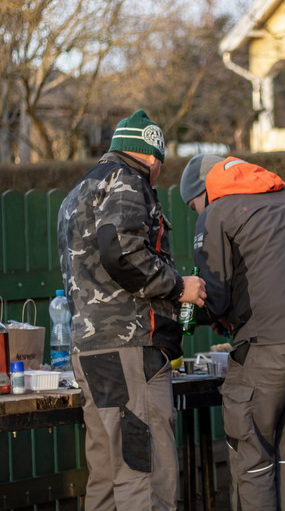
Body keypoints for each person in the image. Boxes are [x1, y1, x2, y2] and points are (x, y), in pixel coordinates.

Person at [179, 154, 285, 510]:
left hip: (268, 344)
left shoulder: (218, 212)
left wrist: (190, 314)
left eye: (194, 205)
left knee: (253, 454)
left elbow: (215, 295)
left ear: (204, 192)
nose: (197, 213)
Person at [57, 109, 206, 510]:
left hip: (91, 350)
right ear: (153, 156)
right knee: (146, 472)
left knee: (106, 473)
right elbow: (121, 250)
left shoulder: (78, 193)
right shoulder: (127, 180)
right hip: (130, 347)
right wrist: (180, 287)